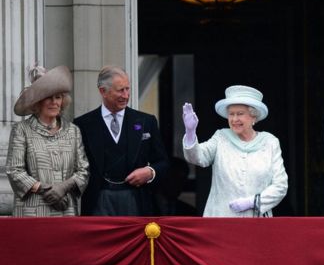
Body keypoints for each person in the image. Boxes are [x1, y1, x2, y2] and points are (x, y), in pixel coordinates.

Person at [74, 65, 169, 216]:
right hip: (97, 202)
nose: (126, 95)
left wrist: (150, 172)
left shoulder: (146, 121)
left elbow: (163, 162)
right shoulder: (82, 124)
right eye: (120, 90)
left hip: (136, 200)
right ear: (102, 91)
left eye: (127, 89)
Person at [181, 85, 288, 217]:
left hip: (256, 223)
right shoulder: (220, 138)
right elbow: (197, 157)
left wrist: (252, 202)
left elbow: (280, 186)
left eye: (240, 114)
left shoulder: (270, 142)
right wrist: (190, 132)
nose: (234, 119)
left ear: (253, 117)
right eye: (231, 114)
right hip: (221, 221)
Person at [6, 65, 90, 216]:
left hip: (66, 211)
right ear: (37, 102)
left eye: (57, 97)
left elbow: (83, 171)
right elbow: (15, 170)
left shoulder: (73, 131)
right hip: (32, 213)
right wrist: (44, 188)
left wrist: (63, 188)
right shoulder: (22, 130)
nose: (54, 102)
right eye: (48, 97)